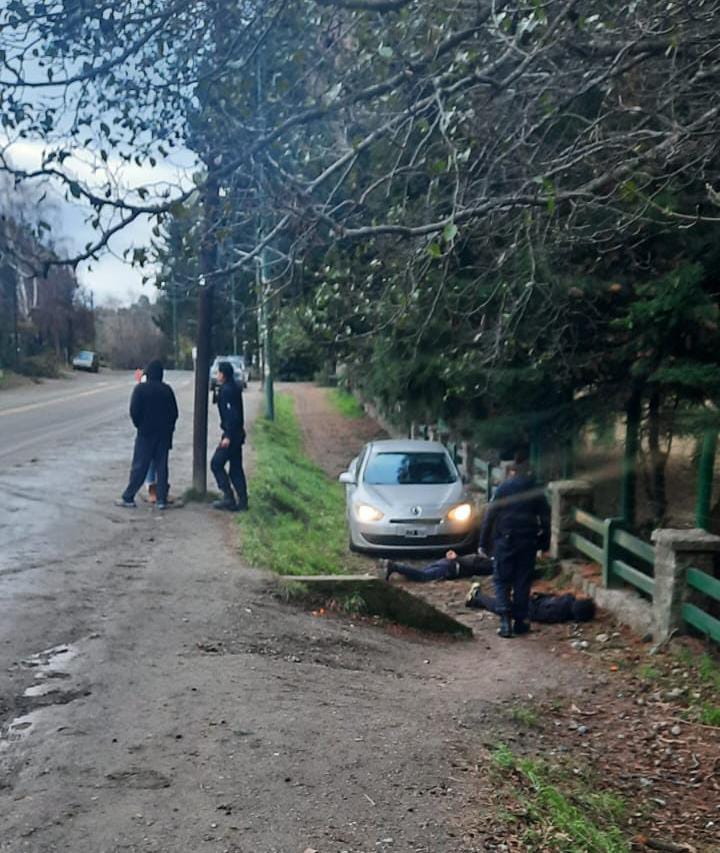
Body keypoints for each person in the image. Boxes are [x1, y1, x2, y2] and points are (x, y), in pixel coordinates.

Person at [478, 449, 551, 638]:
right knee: (522, 581)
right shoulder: (535, 490)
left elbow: (490, 516)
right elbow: (546, 518)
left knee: (502, 579)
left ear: (512, 471)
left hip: (506, 540)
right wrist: (545, 541)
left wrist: (483, 543)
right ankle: (520, 621)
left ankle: (504, 622)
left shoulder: (503, 489)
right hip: (528, 541)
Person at [116, 360, 178, 510]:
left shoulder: (140, 390)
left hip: (145, 433)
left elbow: (134, 411)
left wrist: (140, 425)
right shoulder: (167, 390)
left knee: (140, 466)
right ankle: (161, 500)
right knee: (161, 467)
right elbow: (174, 413)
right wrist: (169, 429)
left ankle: (128, 497)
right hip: (163, 435)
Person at [210, 361, 248, 512]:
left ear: (223, 374)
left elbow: (232, 415)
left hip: (232, 435)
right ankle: (242, 500)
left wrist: (227, 436)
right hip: (237, 434)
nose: (217, 375)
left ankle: (228, 497)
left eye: (219, 373)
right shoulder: (233, 388)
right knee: (235, 468)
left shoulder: (227, 391)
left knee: (216, 463)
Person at [465, 585, 596, 623]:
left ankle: (477, 599)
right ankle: (477, 597)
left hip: (532, 603)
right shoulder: (560, 614)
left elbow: (549, 597)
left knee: (500, 606)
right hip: (529, 608)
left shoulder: (567, 599)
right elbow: (539, 615)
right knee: (501, 607)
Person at [379, 550, 493, 582]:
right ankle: (394, 566)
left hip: (447, 563)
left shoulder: (488, 558)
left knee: (420, 573)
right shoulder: (491, 564)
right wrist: (457, 558)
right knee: (423, 576)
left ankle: (395, 568)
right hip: (450, 568)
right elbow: (473, 563)